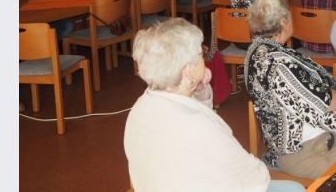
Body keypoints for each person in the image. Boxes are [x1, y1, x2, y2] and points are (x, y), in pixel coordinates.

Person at [124, 18, 304, 192]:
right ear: (187, 71)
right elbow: (254, 179)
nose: (204, 58)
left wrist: (198, 89)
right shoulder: (198, 127)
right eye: (200, 54)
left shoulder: (140, 108)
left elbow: (189, 113)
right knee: (294, 189)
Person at [245, 0, 336, 179]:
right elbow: (322, 103)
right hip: (304, 150)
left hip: (309, 139)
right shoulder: (278, 66)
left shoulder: (261, 50)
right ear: (284, 22)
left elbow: (309, 74)